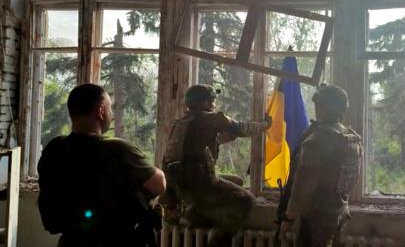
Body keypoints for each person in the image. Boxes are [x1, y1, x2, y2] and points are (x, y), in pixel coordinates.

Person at [37, 83, 167, 247]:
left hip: (71, 241)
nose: (111, 114)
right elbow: (159, 185)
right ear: (101, 111)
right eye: (110, 108)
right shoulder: (118, 149)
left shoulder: (54, 148)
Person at [161, 84, 271, 247]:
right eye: (211, 100)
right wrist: (265, 124)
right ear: (203, 102)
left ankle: (194, 213)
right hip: (200, 182)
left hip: (180, 186)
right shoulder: (210, 118)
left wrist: (227, 137)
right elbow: (242, 128)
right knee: (246, 199)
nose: (213, 103)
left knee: (237, 181)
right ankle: (218, 241)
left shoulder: (181, 123)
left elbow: (197, 146)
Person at [278, 84, 363, 247]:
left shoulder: (318, 141)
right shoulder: (350, 137)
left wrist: (288, 218)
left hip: (315, 217)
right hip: (338, 212)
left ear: (322, 106)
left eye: (318, 104)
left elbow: (302, 188)